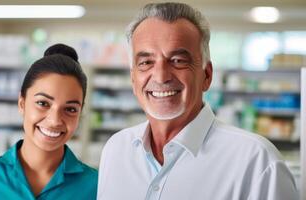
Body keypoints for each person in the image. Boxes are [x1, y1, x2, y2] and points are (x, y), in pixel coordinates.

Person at [97, 2, 298, 200]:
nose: (160, 76)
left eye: (178, 61)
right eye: (146, 62)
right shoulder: (116, 149)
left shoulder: (257, 162)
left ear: (207, 76)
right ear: (133, 79)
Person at [0, 44, 97, 200]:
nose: (54, 121)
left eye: (70, 109)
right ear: (22, 103)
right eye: (43, 103)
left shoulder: (97, 187)